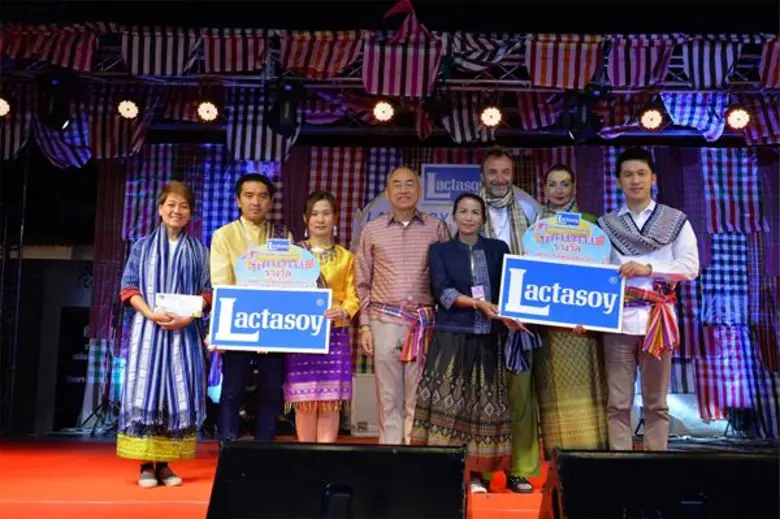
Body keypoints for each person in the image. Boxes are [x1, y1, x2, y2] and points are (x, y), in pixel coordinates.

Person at [413, 193, 519, 494]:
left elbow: (508, 288)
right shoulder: (440, 250)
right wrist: (475, 303)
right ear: (454, 216)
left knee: (483, 405)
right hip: (451, 335)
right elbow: (441, 291)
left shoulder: (499, 249)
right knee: (450, 401)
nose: (469, 217)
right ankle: (444, 469)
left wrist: (508, 313)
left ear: (483, 218)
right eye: (463, 211)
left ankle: (479, 475)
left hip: (490, 337)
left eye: (475, 212)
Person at [597, 148, 699, 451]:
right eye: (627, 174)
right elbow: (598, 273)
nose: (635, 180)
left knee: (656, 403)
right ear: (618, 182)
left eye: (641, 173)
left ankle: (656, 468)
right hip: (618, 322)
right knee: (617, 403)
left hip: (658, 321)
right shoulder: (606, 226)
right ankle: (620, 468)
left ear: (653, 178)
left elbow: (690, 267)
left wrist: (650, 269)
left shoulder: (676, 221)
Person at [118, 181, 211, 488]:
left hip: (184, 333)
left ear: (191, 213)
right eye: (171, 204)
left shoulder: (199, 250)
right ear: (160, 209)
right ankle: (146, 465)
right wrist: (148, 312)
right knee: (147, 391)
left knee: (176, 394)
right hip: (149, 331)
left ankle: (166, 465)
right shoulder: (142, 246)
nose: (177, 211)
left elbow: (208, 293)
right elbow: (129, 287)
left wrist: (189, 316)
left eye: (183, 206)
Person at [356, 166, 451, 445]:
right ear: (387, 192)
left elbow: (446, 278)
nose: (404, 190)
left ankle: (414, 459)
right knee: (388, 397)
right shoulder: (372, 230)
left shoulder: (437, 227)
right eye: (397, 184)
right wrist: (364, 326)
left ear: (419, 191)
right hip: (383, 320)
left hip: (423, 323)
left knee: (418, 397)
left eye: (410, 184)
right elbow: (362, 280)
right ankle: (390, 459)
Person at [477, 146, 543, 493]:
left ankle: (520, 469)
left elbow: (546, 259)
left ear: (512, 175)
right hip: (481, 317)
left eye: (505, 172)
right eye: (492, 173)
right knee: (484, 395)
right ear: (482, 176)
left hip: (521, 318)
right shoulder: (468, 210)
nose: (499, 179)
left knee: (520, 395)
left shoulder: (531, 211)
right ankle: (483, 472)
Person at [532, 165, 609, 456]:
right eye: (553, 184)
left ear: (575, 188)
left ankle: (593, 457)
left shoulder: (591, 224)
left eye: (565, 184)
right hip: (550, 327)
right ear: (545, 190)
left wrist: (586, 315)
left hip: (583, 326)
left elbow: (602, 273)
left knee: (588, 389)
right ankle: (558, 460)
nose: (559, 190)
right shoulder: (535, 227)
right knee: (552, 391)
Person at [210, 173, 293, 442]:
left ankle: (265, 450)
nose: (255, 201)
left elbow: (290, 281)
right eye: (249, 195)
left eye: (262, 196)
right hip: (239, 322)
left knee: (271, 389)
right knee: (233, 389)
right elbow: (221, 282)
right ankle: (228, 447)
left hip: (274, 325)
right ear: (238, 200)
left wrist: (269, 322)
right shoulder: (224, 235)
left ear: (270, 201)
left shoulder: (282, 235)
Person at [283, 190, 359, 442]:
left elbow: (353, 295)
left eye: (326, 213)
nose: (320, 219)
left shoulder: (347, 258)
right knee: (304, 403)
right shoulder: (293, 255)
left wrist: (345, 310)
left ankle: (325, 461)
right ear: (306, 218)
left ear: (335, 217)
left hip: (334, 335)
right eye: (315, 213)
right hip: (301, 336)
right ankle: (307, 462)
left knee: (328, 403)